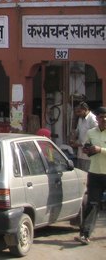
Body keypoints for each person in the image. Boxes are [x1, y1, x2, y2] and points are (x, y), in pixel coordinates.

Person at [77, 106, 106, 245]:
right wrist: (87, 149)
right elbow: (87, 149)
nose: (104, 119)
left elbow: (100, 150)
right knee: (92, 204)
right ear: (98, 118)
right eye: (101, 117)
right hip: (94, 173)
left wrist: (100, 149)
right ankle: (85, 234)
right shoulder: (91, 132)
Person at [70, 102, 98, 171]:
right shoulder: (80, 119)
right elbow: (78, 130)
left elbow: (97, 136)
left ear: (85, 109)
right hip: (81, 153)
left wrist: (80, 144)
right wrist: (73, 138)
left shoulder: (93, 119)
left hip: (89, 155)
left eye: (79, 112)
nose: (77, 114)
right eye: (76, 112)